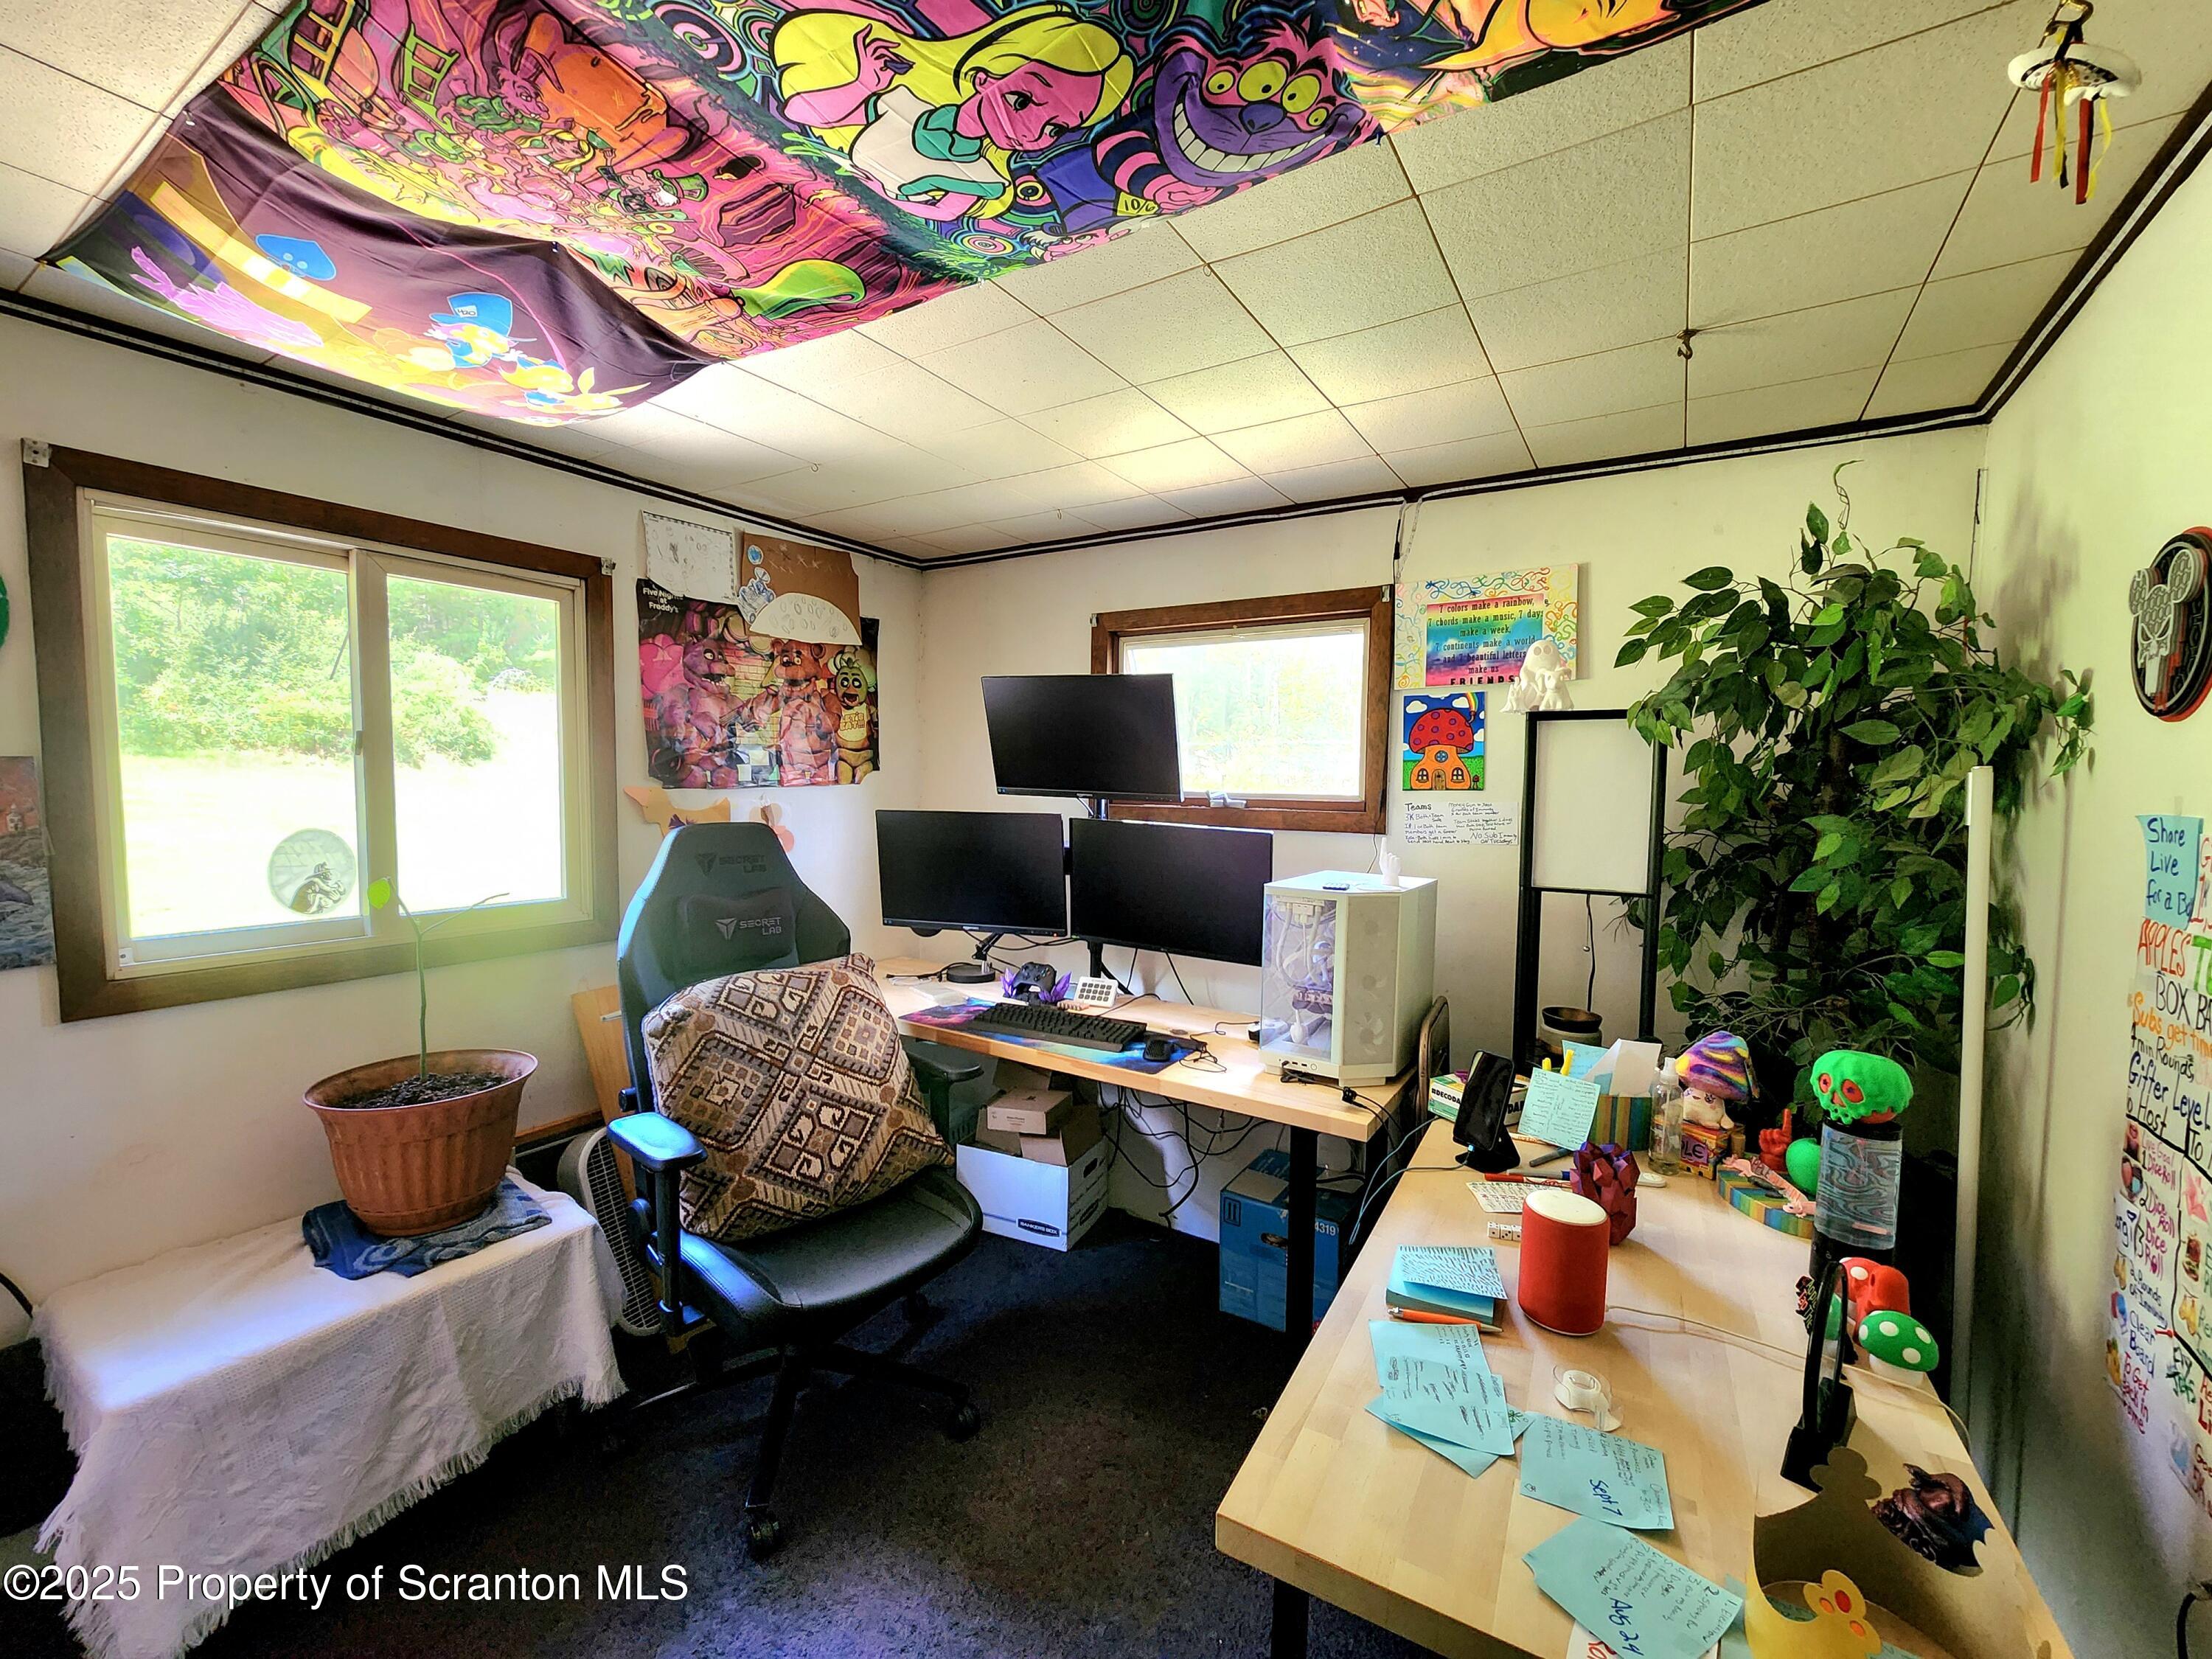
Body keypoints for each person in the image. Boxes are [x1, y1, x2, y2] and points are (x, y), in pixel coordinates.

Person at [775, 5, 1133, 222]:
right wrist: (862, 83)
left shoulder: (986, 177)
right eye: (1022, 100)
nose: (1031, 130)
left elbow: (945, 213)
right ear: (983, 78)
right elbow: (806, 113)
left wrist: (885, 200)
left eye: (1056, 128)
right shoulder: (904, 102)